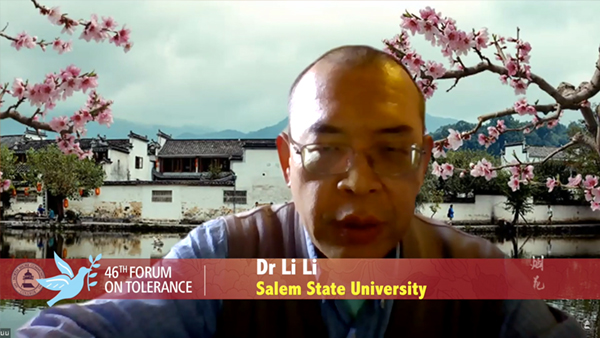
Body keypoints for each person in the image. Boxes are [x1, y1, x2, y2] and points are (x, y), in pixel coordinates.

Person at [18, 45, 585, 338]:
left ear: (423, 164)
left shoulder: (474, 274)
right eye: (325, 150)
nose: (358, 182)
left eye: (390, 151)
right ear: (288, 161)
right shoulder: (225, 258)